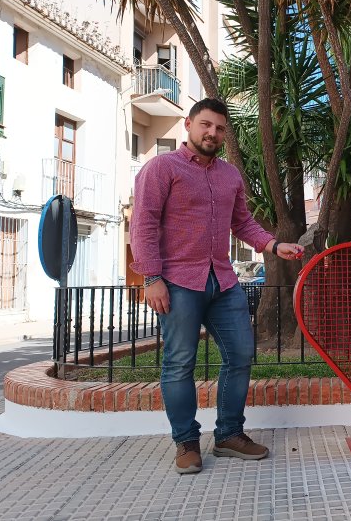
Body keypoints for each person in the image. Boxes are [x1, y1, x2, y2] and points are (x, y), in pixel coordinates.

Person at [130, 98, 303, 474]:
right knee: (179, 364)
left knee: (241, 355)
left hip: (223, 281)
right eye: (206, 125)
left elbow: (242, 223)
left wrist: (274, 245)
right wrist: (152, 278)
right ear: (189, 125)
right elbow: (142, 224)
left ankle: (228, 435)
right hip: (177, 281)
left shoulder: (229, 175)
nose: (213, 133)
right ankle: (186, 443)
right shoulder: (161, 168)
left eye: (220, 128)